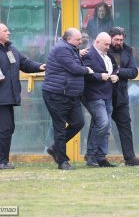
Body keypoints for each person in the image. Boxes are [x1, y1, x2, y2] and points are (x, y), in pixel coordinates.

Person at [42, 27, 93, 170]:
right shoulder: (62, 49)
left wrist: (79, 54)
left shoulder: (71, 48)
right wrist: (87, 70)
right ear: (68, 38)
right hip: (57, 93)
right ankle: (62, 162)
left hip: (71, 94)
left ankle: (55, 148)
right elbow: (74, 68)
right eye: (78, 39)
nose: (80, 41)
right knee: (59, 126)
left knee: (78, 123)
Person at [0, 23, 45, 170]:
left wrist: (40, 66)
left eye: (8, 29)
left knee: (8, 128)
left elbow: (25, 64)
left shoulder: (11, 50)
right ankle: (2, 161)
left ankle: (3, 161)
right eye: (5, 30)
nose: (9, 32)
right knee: (5, 129)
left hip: (8, 97)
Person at [108, 26, 139, 166]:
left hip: (121, 94)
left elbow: (133, 72)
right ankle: (93, 156)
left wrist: (117, 71)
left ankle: (130, 158)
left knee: (125, 125)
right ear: (110, 38)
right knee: (101, 125)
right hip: (105, 94)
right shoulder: (104, 49)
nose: (119, 42)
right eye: (116, 39)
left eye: (121, 40)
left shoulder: (127, 50)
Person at [82, 32, 118, 167]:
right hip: (93, 95)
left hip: (107, 94)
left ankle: (101, 157)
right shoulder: (88, 54)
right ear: (97, 42)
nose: (108, 47)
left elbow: (114, 69)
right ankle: (91, 154)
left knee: (106, 126)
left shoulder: (107, 56)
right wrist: (99, 76)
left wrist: (115, 75)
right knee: (103, 123)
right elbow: (84, 73)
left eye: (109, 44)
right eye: (106, 44)